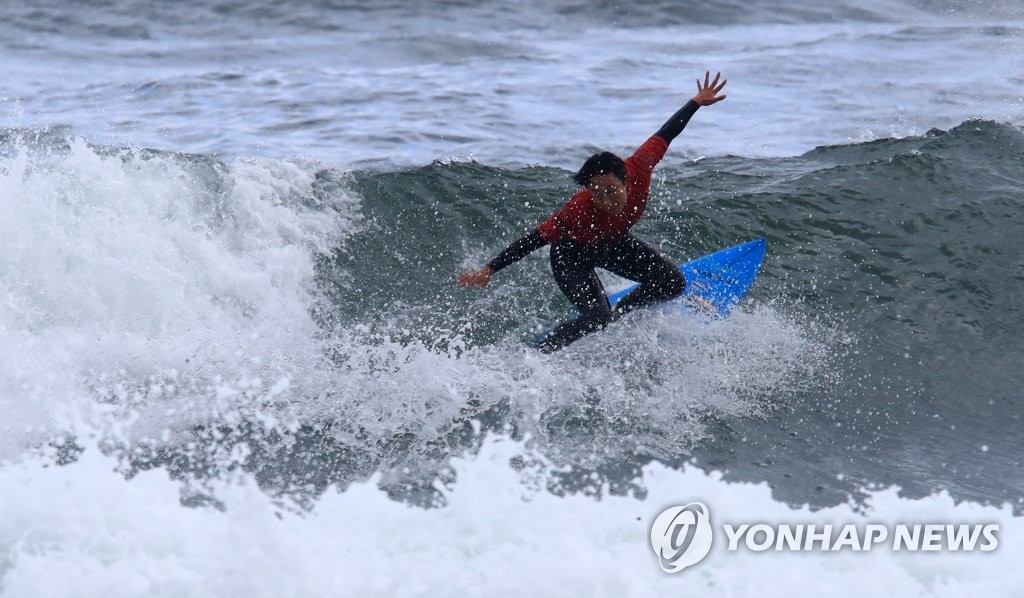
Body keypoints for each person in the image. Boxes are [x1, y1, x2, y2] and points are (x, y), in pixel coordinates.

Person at [458, 71, 728, 352]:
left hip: (612, 244)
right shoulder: (578, 210)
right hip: (571, 256)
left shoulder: (640, 165)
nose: (604, 199)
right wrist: (489, 269)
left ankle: (622, 312)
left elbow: (668, 132)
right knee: (596, 316)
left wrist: (696, 102)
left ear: (625, 180)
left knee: (672, 282)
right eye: (595, 192)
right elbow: (534, 240)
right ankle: (544, 352)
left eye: (610, 190)